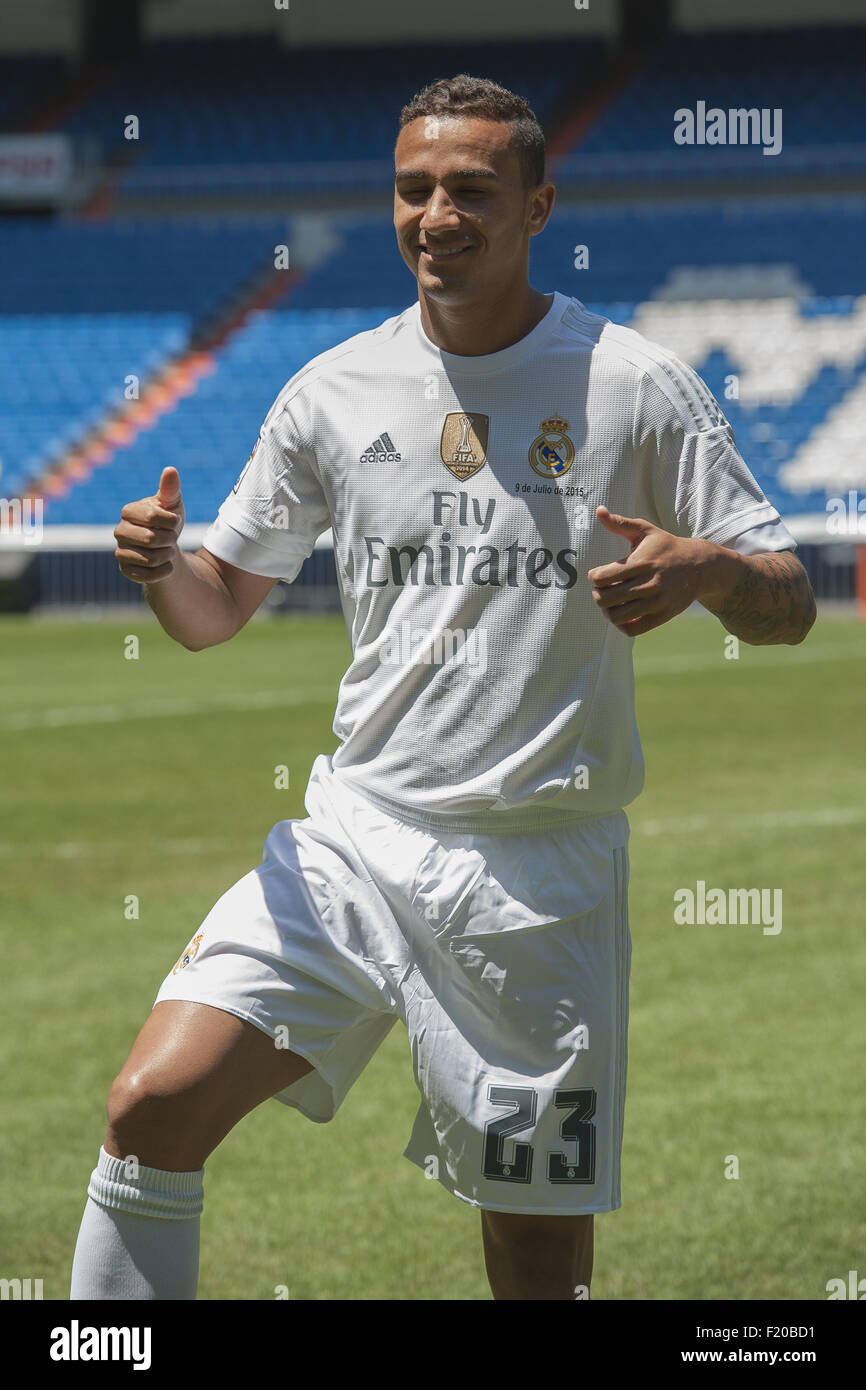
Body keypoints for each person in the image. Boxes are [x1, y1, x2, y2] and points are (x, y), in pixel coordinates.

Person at [70, 75, 816, 1302]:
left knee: (532, 1252)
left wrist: (711, 570)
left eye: (471, 189)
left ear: (537, 204)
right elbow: (212, 611)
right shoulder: (332, 391)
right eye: (414, 190)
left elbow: (783, 598)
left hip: (535, 876)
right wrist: (162, 570)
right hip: (353, 841)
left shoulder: (631, 384)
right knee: (150, 1103)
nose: (436, 215)